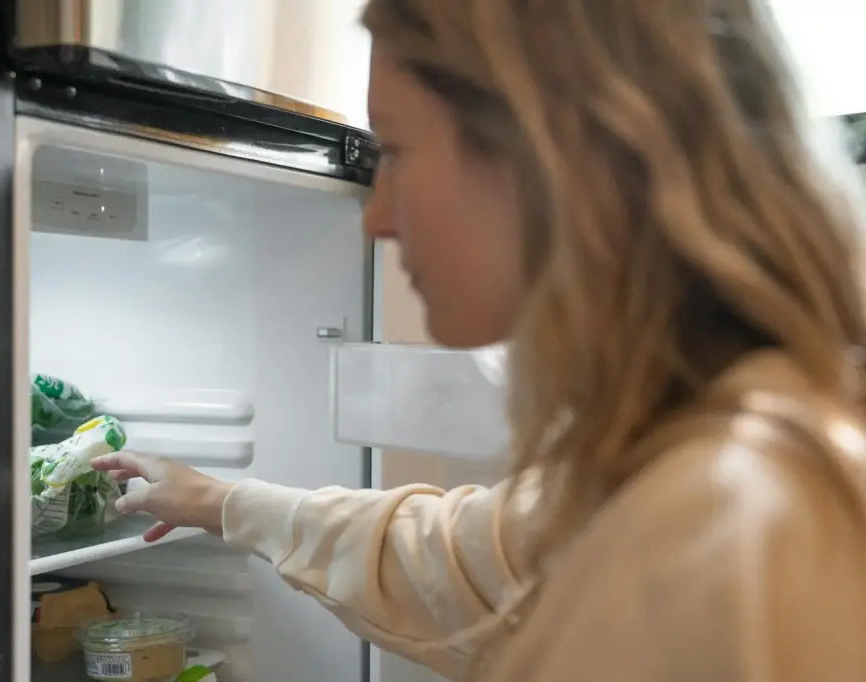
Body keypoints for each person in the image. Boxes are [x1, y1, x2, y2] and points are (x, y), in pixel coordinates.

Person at [92, 0, 866, 680]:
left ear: (548, 153)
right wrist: (224, 501)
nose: (375, 218)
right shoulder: (693, 451)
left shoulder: (730, 516)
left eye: (396, 148)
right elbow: (467, 559)